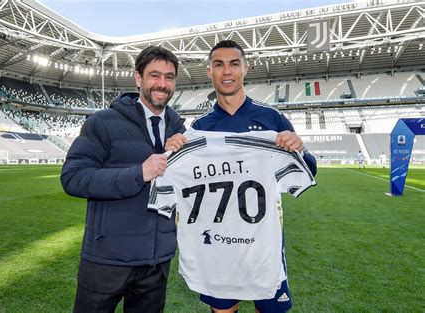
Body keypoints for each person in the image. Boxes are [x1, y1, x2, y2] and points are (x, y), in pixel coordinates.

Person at [165, 40, 317, 313]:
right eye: (219, 65)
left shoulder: (272, 118)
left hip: (263, 248)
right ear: (210, 71)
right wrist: (175, 151)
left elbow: (309, 170)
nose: (227, 72)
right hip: (217, 250)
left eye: (234, 64)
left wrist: (299, 147)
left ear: (245, 69)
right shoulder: (200, 128)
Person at [61, 46, 186, 313]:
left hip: (156, 262)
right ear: (138, 78)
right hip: (107, 259)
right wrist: (138, 173)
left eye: (169, 77)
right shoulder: (102, 122)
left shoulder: (181, 130)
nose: (162, 84)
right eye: (154, 75)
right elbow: (73, 178)